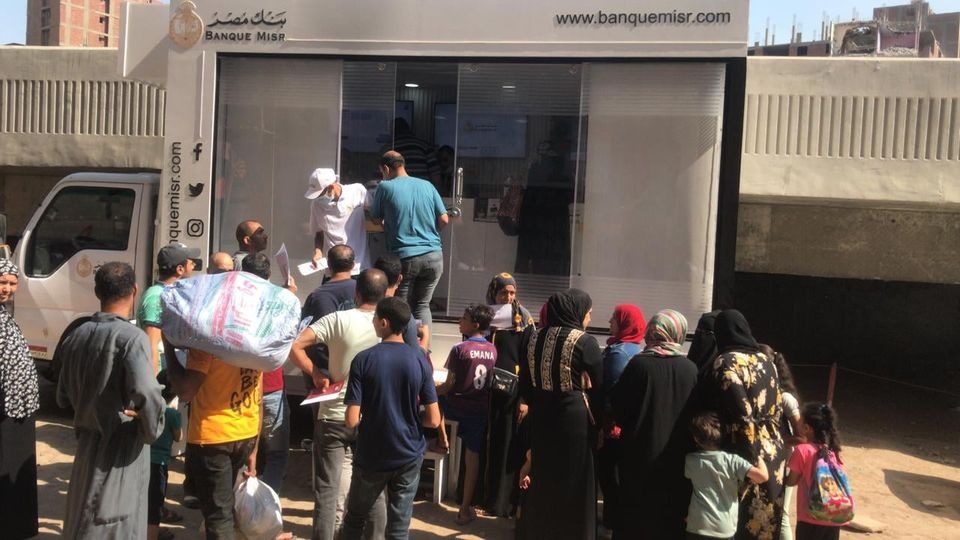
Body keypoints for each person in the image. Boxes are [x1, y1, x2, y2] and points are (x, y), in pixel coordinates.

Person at [56, 262, 166, 539]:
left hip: (87, 444)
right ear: (135, 290)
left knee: (83, 516)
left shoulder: (76, 334)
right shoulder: (132, 338)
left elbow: (62, 396)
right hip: (121, 447)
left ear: (97, 292)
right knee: (115, 523)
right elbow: (149, 396)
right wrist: (149, 427)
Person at [288, 269, 390, 540]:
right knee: (375, 488)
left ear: (357, 293)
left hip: (334, 415)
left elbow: (295, 346)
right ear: (384, 294)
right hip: (374, 418)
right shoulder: (389, 326)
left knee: (327, 490)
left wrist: (315, 372)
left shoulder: (337, 319)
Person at [163, 274, 264, 539]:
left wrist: (169, 349)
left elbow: (186, 391)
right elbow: (258, 393)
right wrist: (255, 447)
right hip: (245, 432)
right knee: (224, 508)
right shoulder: (254, 339)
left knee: (219, 517)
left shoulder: (207, 341)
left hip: (214, 438)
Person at [341, 297, 441, 539]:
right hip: (409, 453)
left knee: (355, 520)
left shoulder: (363, 359)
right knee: (398, 528)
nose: (373, 322)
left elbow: (352, 420)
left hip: (372, 454)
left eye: (375, 318)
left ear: (384, 323)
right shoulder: (420, 360)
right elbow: (434, 420)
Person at [516, 289, 602, 540]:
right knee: (575, 478)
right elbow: (599, 386)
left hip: (542, 415)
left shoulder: (534, 338)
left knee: (544, 476)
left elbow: (525, 384)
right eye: (588, 313)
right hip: (573, 419)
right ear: (576, 312)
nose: (589, 318)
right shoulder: (584, 341)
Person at [610, 309, 698, 539]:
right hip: (676, 461)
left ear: (652, 331)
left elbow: (618, 408)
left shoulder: (639, 365)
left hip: (638, 457)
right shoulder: (690, 369)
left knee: (635, 522)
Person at [704, 310, 786, 540]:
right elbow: (778, 406)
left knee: (745, 523)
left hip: (747, 451)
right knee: (769, 522)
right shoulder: (767, 360)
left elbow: (743, 416)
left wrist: (752, 459)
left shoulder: (725, 362)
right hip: (775, 449)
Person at [368, 150, 449, 348]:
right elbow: (444, 219)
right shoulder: (427, 185)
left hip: (405, 256)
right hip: (434, 255)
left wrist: (390, 224)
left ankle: (404, 352)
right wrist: (428, 233)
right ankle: (424, 351)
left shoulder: (385, 186)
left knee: (401, 308)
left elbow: (376, 218)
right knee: (422, 305)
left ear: (386, 168)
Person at [436, 304, 498, 525]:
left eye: (463, 318)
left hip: (457, 405)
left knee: (433, 402)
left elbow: (449, 385)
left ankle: (442, 439)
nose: (459, 321)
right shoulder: (493, 349)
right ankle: (464, 508)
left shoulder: (459, 349)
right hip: (480, 409)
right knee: (473, 457)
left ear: (475, 324)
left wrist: (430, 390)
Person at [482, 272, 535, 518]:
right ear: (494, 293)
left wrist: (524, 398)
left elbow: (528, 361)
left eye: (512, 292)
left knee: (506, 446)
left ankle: (502, 503)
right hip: (485, 393)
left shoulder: (522, 319)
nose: (508, 297)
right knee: (484, 445)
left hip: (511, 395)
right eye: (504, 292)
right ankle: (481, 497)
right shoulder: (484, 316)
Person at [241, 254, 290, 495]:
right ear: (268, 275)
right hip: (271, 386)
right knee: (277, 453)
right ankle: (266, 506)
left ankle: (241, 503)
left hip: (241, 387)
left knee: (241, 451)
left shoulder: (236, 302)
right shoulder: (280, 302)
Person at [0, 260, 40, 539]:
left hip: (19, 408)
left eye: (12, 283)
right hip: (6, 408)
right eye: (2, 282)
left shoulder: (5, 314)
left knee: (17, 466)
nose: (7, 288)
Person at [598, 303, 646, 534]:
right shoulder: (635, 349)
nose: (609, 322)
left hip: (613, 428)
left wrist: (604, 423)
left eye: (614, 319)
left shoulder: (618, 353)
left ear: (626, 323)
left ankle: (611, 524)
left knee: (609, 476)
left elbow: (611, 394)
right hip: (625, 428)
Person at [686, 412, 769, 540]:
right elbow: (762, 477)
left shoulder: (691, 460)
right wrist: (756, 455)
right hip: (724, 528)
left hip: (697, 525)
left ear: (696, 439)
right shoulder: (732, 461)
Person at [760, 344, 805, 540]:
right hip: (765, 462)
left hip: (784, 463)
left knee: (783, 514)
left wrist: (776, 440)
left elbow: (802, 437)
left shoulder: (785, 398)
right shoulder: (762, 392)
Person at [786, 404, 849, 540]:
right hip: (832, 516)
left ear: (807, 428)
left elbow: (791, 482)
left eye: (800, 422)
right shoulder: (832, 451)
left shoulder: (802, 450)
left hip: (810, 518)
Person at [138, 242, 200, 373]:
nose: (194, 265)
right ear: (180, 269)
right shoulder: (156, 296)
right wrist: (153, 382)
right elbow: (151, 345)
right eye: (191, 262)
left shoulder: (169, 293)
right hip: (160, 375)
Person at [306, 168, 370, 272]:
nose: (318, 198)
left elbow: (375, 213)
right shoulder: (316, 205)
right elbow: (318, 232)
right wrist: (318, 251)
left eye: (320, 194)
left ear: (331, 187)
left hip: (358, 266)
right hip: (333, 268)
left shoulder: (357, 191)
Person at [149, 371, 184, 540]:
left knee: (144, 497)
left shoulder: (149, 407)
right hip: (160, 464)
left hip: (144, 460)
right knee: (156, 502)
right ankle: (151, 535)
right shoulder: (172, 414)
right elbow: (179, 437)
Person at [374, 254, 422, 350]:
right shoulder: (403, 313)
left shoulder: (361, 306)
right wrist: (425, 338)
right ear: (400, 278)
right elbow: (414, 352)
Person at [391, 117, 442, 188]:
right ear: (408, 129)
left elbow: (381, 176)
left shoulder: (390, 148)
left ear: (393, 131)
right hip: (421, 189)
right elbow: (435, 175)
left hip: (398, 190)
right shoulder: (425, 146)